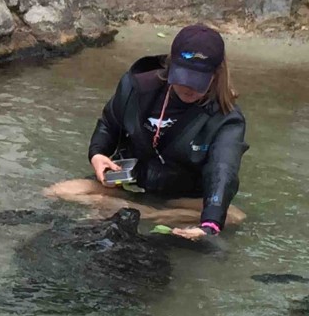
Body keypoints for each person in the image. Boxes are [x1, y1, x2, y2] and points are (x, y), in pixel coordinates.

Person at [44, 24, 249, 240]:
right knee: (58, 191)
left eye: (198, 81)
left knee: (233, 217)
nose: (189, 88)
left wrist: (209, 225)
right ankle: (144, 213)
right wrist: (98, 154)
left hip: (182, 198)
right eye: (183, 77)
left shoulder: (227, 118)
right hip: (132, 185)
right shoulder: (137, 87)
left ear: (215, 75)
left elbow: (222, 170)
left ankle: (142, 213)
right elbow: (109, 123)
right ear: (171, 65)